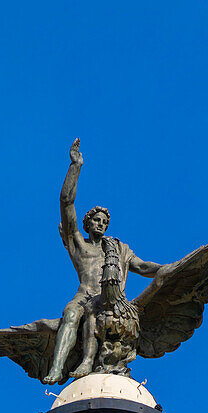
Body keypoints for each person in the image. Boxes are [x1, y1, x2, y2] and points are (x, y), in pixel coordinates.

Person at [44, 139, 163, 384]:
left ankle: (91, 360)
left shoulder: (118, 248)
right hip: (86, 295)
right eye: (97, 220)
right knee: (71, 314)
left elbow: (143, 267)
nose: (102, 224)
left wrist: (170, 269)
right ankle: (56, 369)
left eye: (105, 222)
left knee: (92, 314)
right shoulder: (77, 243)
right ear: (87, 223)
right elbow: (66, 202)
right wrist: (76, 166)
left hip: (113, 301)